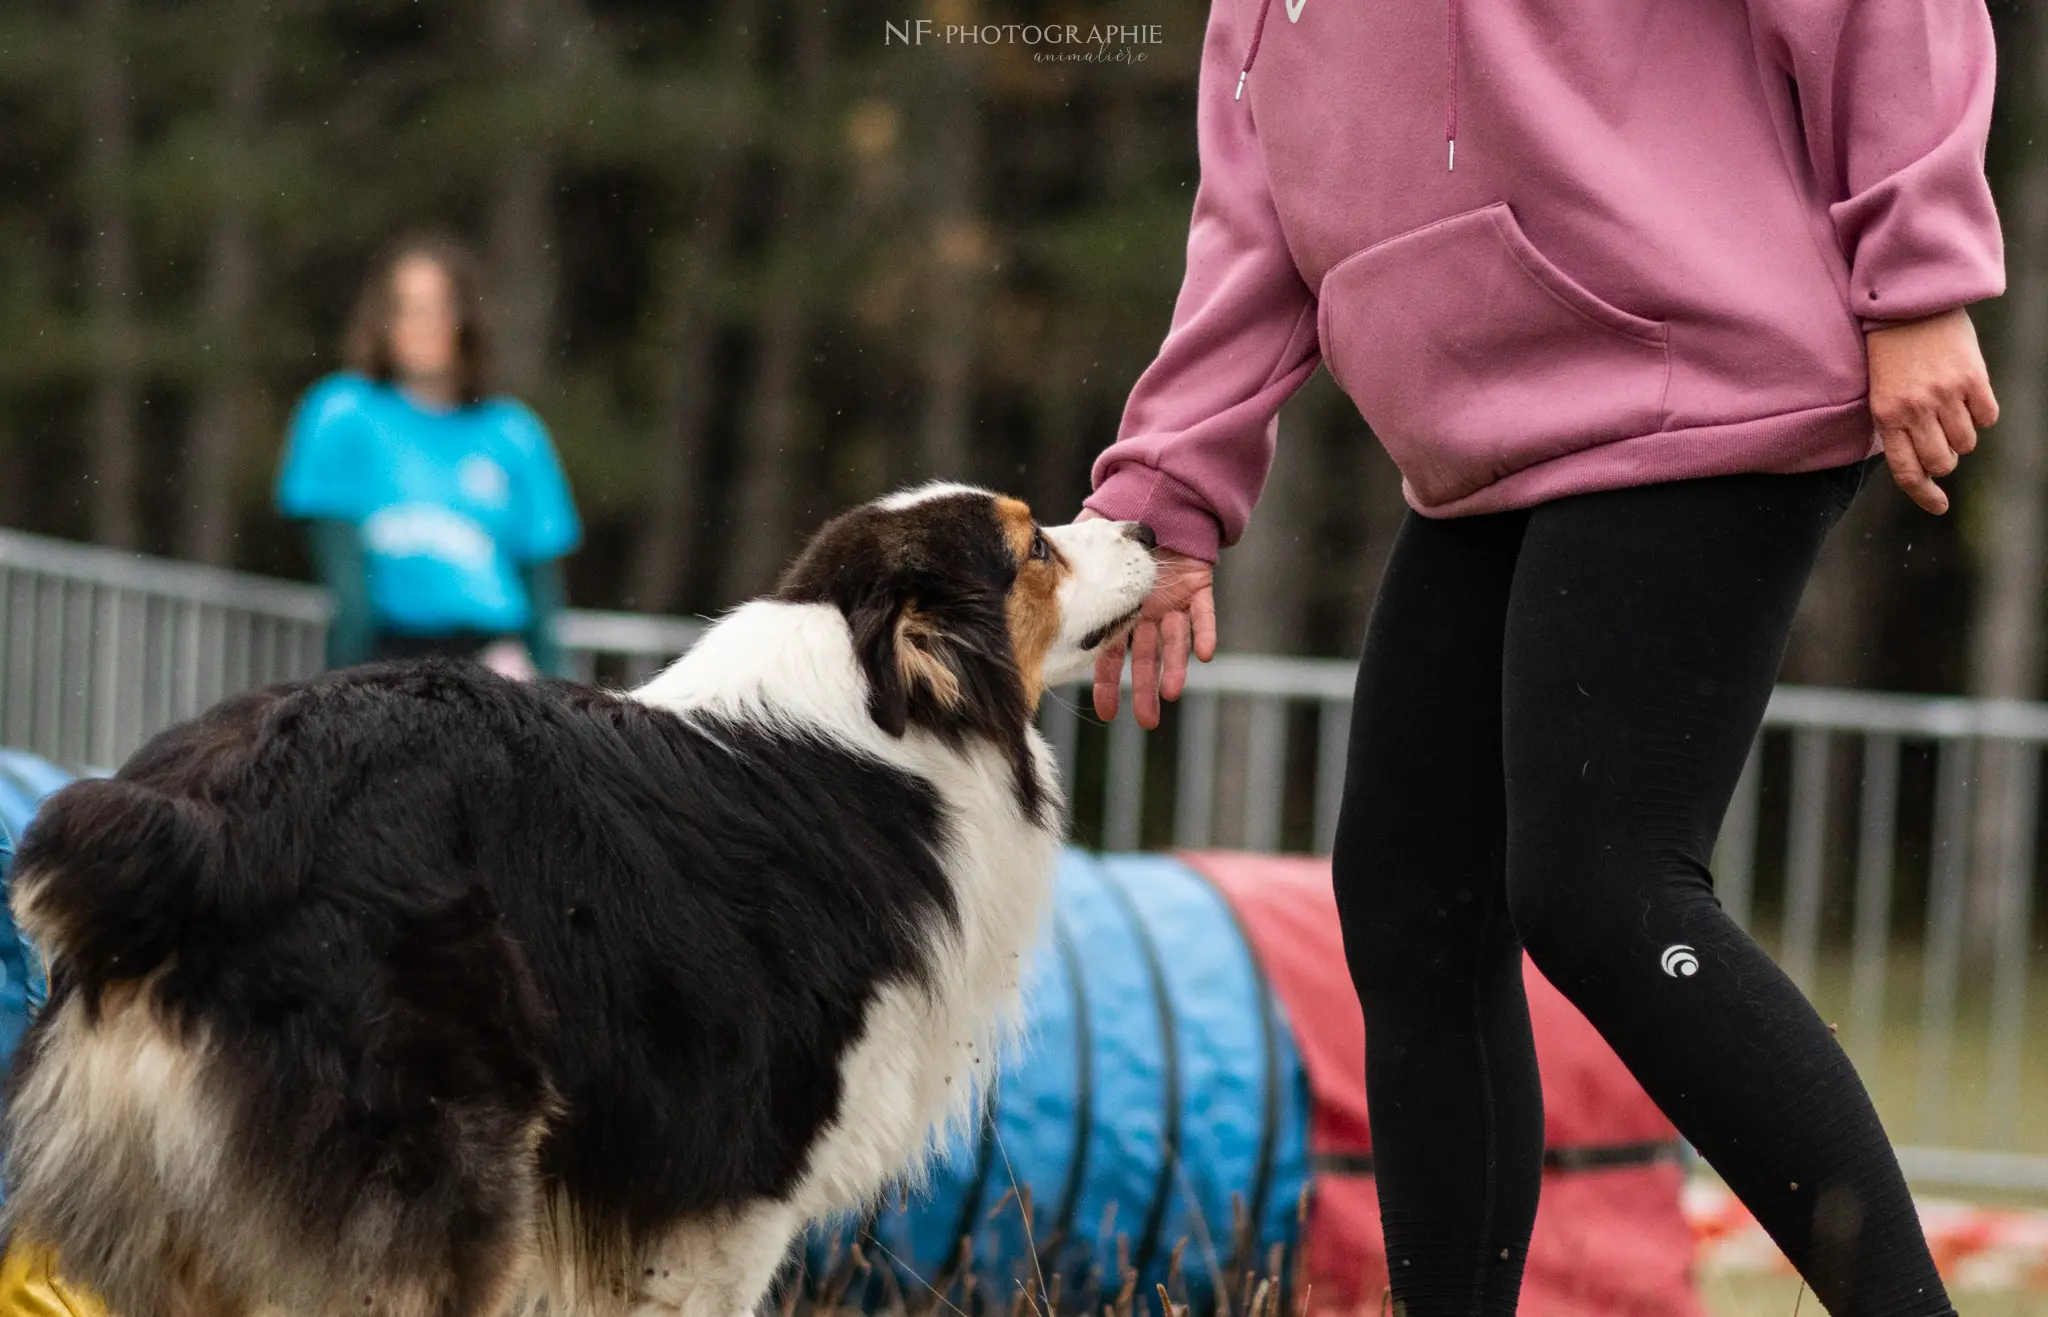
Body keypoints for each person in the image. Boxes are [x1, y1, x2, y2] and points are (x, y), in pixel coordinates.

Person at [1080, 1, 2001, 1312]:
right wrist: (1169, 493)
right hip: (1485, 447)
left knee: (1603, 887)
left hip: (1700, 368)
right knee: (1412, 905)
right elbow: (1253, 227)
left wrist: (1918, 273)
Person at [276, 236, 581, 678]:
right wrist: (339, 691)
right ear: (382, 319)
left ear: (467, 318)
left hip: (492, 660)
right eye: (406, 307)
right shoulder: (342, 414)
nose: (424, 324)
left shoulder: (514, 433)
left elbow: (542, 600)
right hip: (387, 655)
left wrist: (558, 704)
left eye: (440, 306)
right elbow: (350, 597)